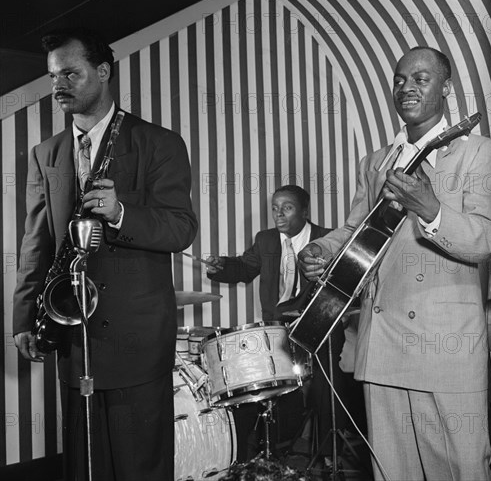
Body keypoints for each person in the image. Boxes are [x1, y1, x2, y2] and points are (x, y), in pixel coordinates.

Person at [299, 46, 491, 481]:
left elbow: (490, 240)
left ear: (446, 88)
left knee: (462, 471)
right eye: (399, 80)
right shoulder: (377, 162)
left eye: (420, 78)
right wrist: (322, 249)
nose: (406, 87)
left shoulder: (480, 154)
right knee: (393, 473)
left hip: (446, 348)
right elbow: (355, 230)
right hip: (383, 345)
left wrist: (431, 210)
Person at [13, 28, 198, 481]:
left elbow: (181, 228)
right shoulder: (46, 154)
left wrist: (120, 213)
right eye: (54, 76)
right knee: (83, 465)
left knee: (140, 466)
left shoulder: (159, 142)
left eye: (70, 74)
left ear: (102, 72)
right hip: (74, 337)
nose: (58, 85)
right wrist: (22, 318)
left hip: (137, 339)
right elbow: (37, 241)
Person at [207, 185, 347, 467]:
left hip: (321, 326)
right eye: (274, 207)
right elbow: (244, 268)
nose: (278, 214)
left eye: (287, 207)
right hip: (278, 328)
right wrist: (220, 265)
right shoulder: (266, 240)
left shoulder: (327, 239)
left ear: (304, 210)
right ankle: (281, 451)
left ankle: (331, 454)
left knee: (325, 391)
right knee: (280, 390)